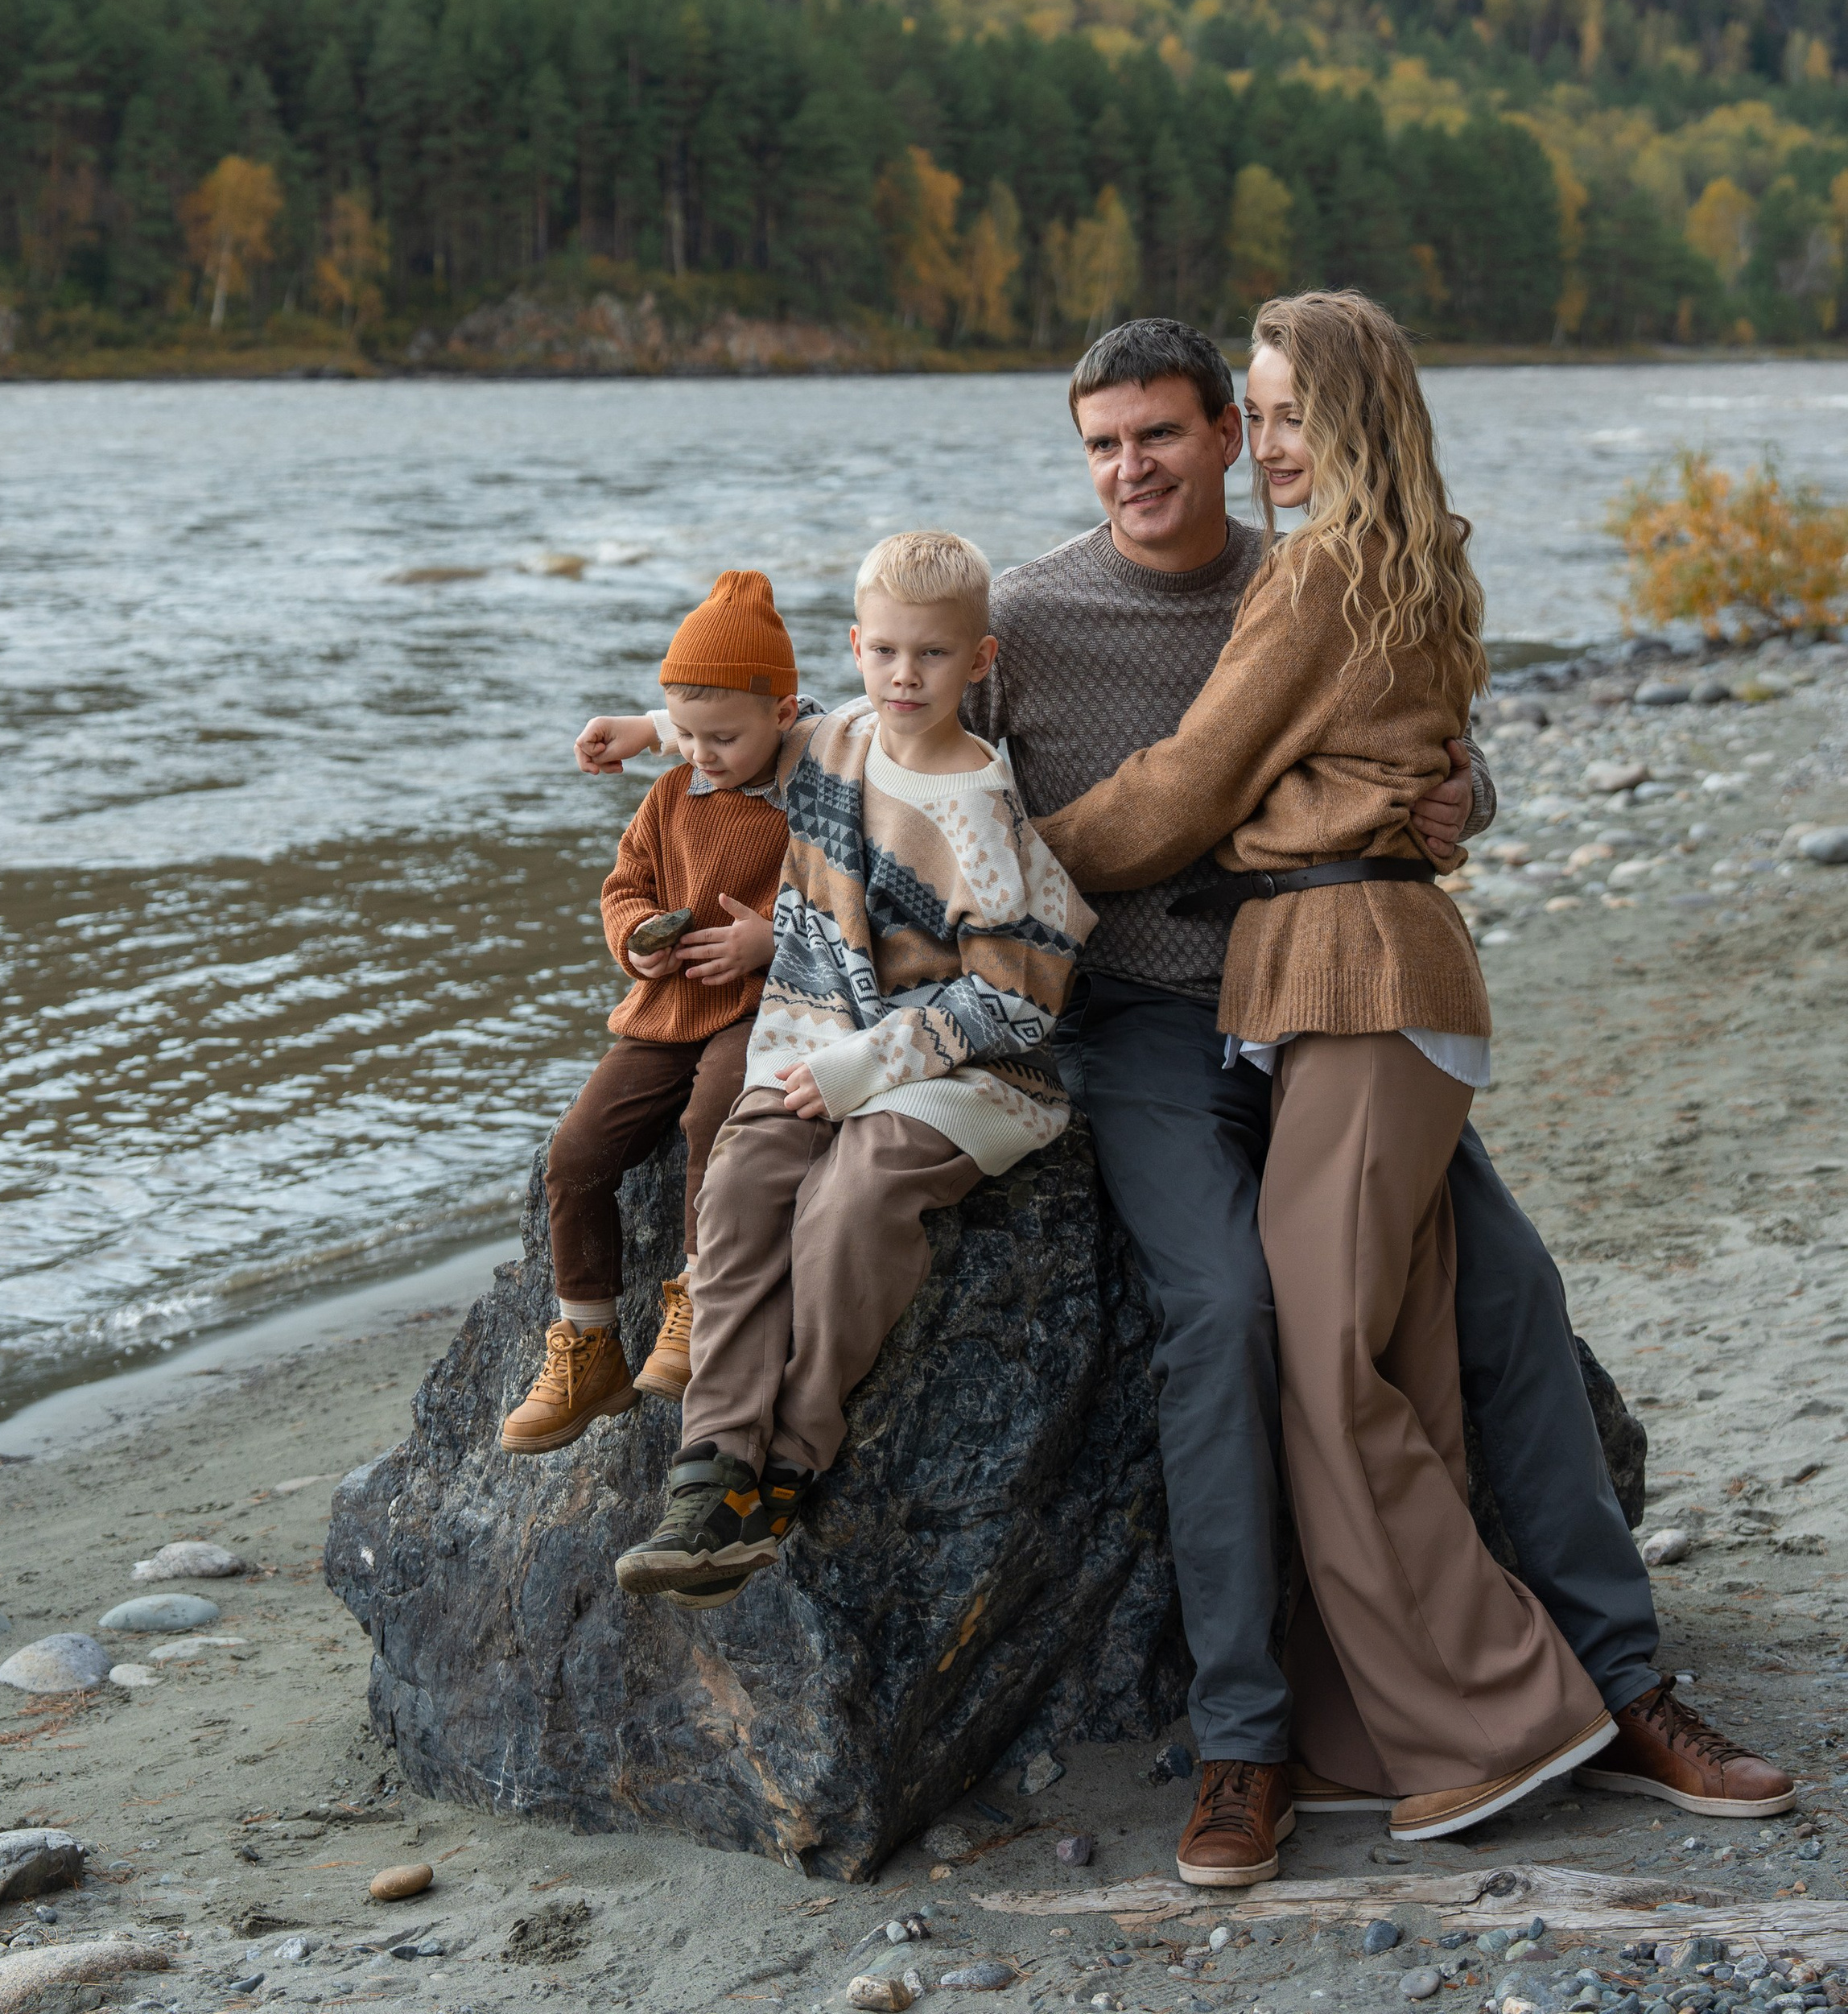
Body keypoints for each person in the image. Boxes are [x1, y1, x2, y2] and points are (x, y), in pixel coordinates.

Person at [966, 314, 1792, 1879]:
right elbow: (908, 733)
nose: (1134, 468)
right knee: (1229, 1315)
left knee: (1506, 1298)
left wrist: (1452, 789)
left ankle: (1612, 1691)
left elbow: (1336, 755)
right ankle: (1247, 1742)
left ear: (1223, 430)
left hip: (1317, 989)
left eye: (1178, 431)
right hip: (1154, 1017)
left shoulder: (1310, 566)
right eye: (1101, 445)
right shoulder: (1031, 610)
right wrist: (906, 877)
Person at [1043, 291, 1623, 1851]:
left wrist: (1006, 882)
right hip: (1336, 987)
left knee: (1327, 1362)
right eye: (1266, 411)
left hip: (1357, 981)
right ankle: (1373, 1727)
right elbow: (1396, 749)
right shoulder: (1413, 566)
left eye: (1277, 415)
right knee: (1401, 1352)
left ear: (1318, 426)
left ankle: (1520, 1706)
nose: (1270, 442)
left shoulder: (1309, 579)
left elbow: (1180, 790)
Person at [606, 530, 1091, 1609]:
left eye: (930, 656)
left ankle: (791, 1458)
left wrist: (869, 1067)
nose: (904, 677)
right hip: (828, 1032)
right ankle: (712, 1466)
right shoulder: (836, 742)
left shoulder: (980, 815)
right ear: (856, 652)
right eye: (883, 653)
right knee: (741, 1176)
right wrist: (650, 730)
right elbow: (753, 735)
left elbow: (1015, 998)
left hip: (968, 1070)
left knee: (849, 1198)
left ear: (981, 662)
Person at [501, 569, 809, 1454]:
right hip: (664, 1007)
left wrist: (769, 943)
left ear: (782, 718)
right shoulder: (671, 792)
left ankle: (696, 1299)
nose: (702, 754)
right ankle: (588, 1340)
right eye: (687, 735)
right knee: (575, 1154)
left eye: (723, 738)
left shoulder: (807, 791)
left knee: (716, 1112)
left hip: (757, 1006)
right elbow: (624, 886)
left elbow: (841, 903)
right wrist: (636, 939)